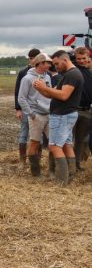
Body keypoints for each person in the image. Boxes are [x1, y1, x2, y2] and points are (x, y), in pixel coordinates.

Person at [33, 50, 83, 185]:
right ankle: (71, 175)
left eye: (56, 63)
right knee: (66, 145)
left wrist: (44, 87)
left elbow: (63, 95)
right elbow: (53, 94)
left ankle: (61, 180)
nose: (55, 66)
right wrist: (40, 89)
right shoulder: (68, 74)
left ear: (65, 60)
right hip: (66, 114)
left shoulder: (72, 75)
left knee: (54, 147)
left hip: (62, 115)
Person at [17, 53, 52, 177]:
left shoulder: (47, 77)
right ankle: (35, 172)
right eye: (48, 62)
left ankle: (52, 171)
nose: (50, 64)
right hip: (36, 115)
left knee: (53, 143)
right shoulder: (27, 79)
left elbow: (50, 93)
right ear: (41, 64)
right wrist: (31, 113)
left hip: (48, 114)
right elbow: (21, 98)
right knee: (35, 143)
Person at [15, 49, 41, 166]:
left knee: (38, 135)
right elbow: (18, 92)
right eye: (31, 58)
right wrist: (18, 109)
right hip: (26, 109)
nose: (32, 60)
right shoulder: (23, 73)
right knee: (24, 133)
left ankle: (37, 159)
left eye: (35, 58)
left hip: (40, 109)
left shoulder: (44, 73)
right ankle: (22, 160)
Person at [72, 47, 92, 170]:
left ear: (88, 57)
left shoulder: (89, 73)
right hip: (72, 109)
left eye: (84, 58)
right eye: (79, 58)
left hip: (86, 111)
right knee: (68, 139)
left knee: (80, 139)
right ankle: (68, 165)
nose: (81, 61)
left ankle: (77, 164)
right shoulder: (73, 71)